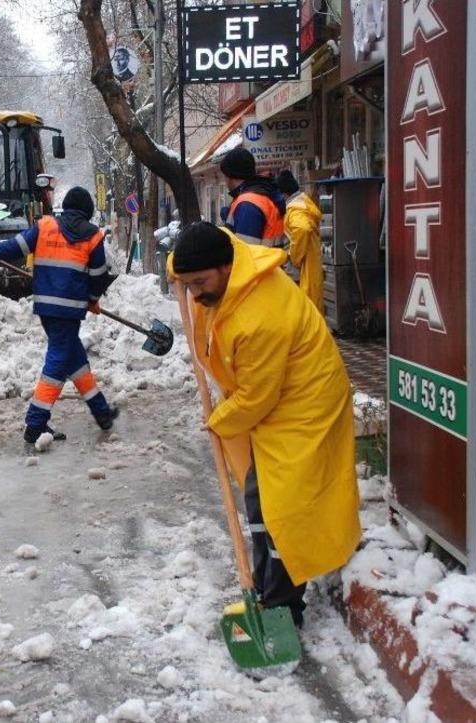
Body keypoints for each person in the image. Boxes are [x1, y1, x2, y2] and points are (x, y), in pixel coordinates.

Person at [169, 222, 360, 627]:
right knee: (259, 494)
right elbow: (187, 258)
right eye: (187, 284)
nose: (194, 294)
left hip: (306, 405)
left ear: (226, 267)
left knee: (285, 509)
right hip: (276, 397)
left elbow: (257, 398)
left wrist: (218, 420)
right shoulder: (225, 261)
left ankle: (284, 607)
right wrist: (179, 273)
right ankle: (265, 586)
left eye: (200, 283)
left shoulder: (260, 318)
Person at [0, 187, 120, 443]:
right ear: (87, 211)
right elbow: (99, 277)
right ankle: (35, 423)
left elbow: (14, 247)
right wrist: (92, 300)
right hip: (70, 310)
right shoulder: (93, 236)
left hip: (46, 308)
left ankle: (102, 413)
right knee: (57, 364)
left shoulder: (45, 226)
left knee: (75, 360)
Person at [276, 170, 324, 313]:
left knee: (305, 310)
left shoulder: (295, 209)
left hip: (303, 268)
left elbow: (302, 228)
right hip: (310, 263)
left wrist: (295, 257)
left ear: (284, 193)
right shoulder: (304, 203)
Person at [218, 147, 286, 246]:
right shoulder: (260, 194)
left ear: (230, 176)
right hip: (270, 255)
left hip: (258, 256)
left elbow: (246, 249)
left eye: (225, 176)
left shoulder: (247, 204)